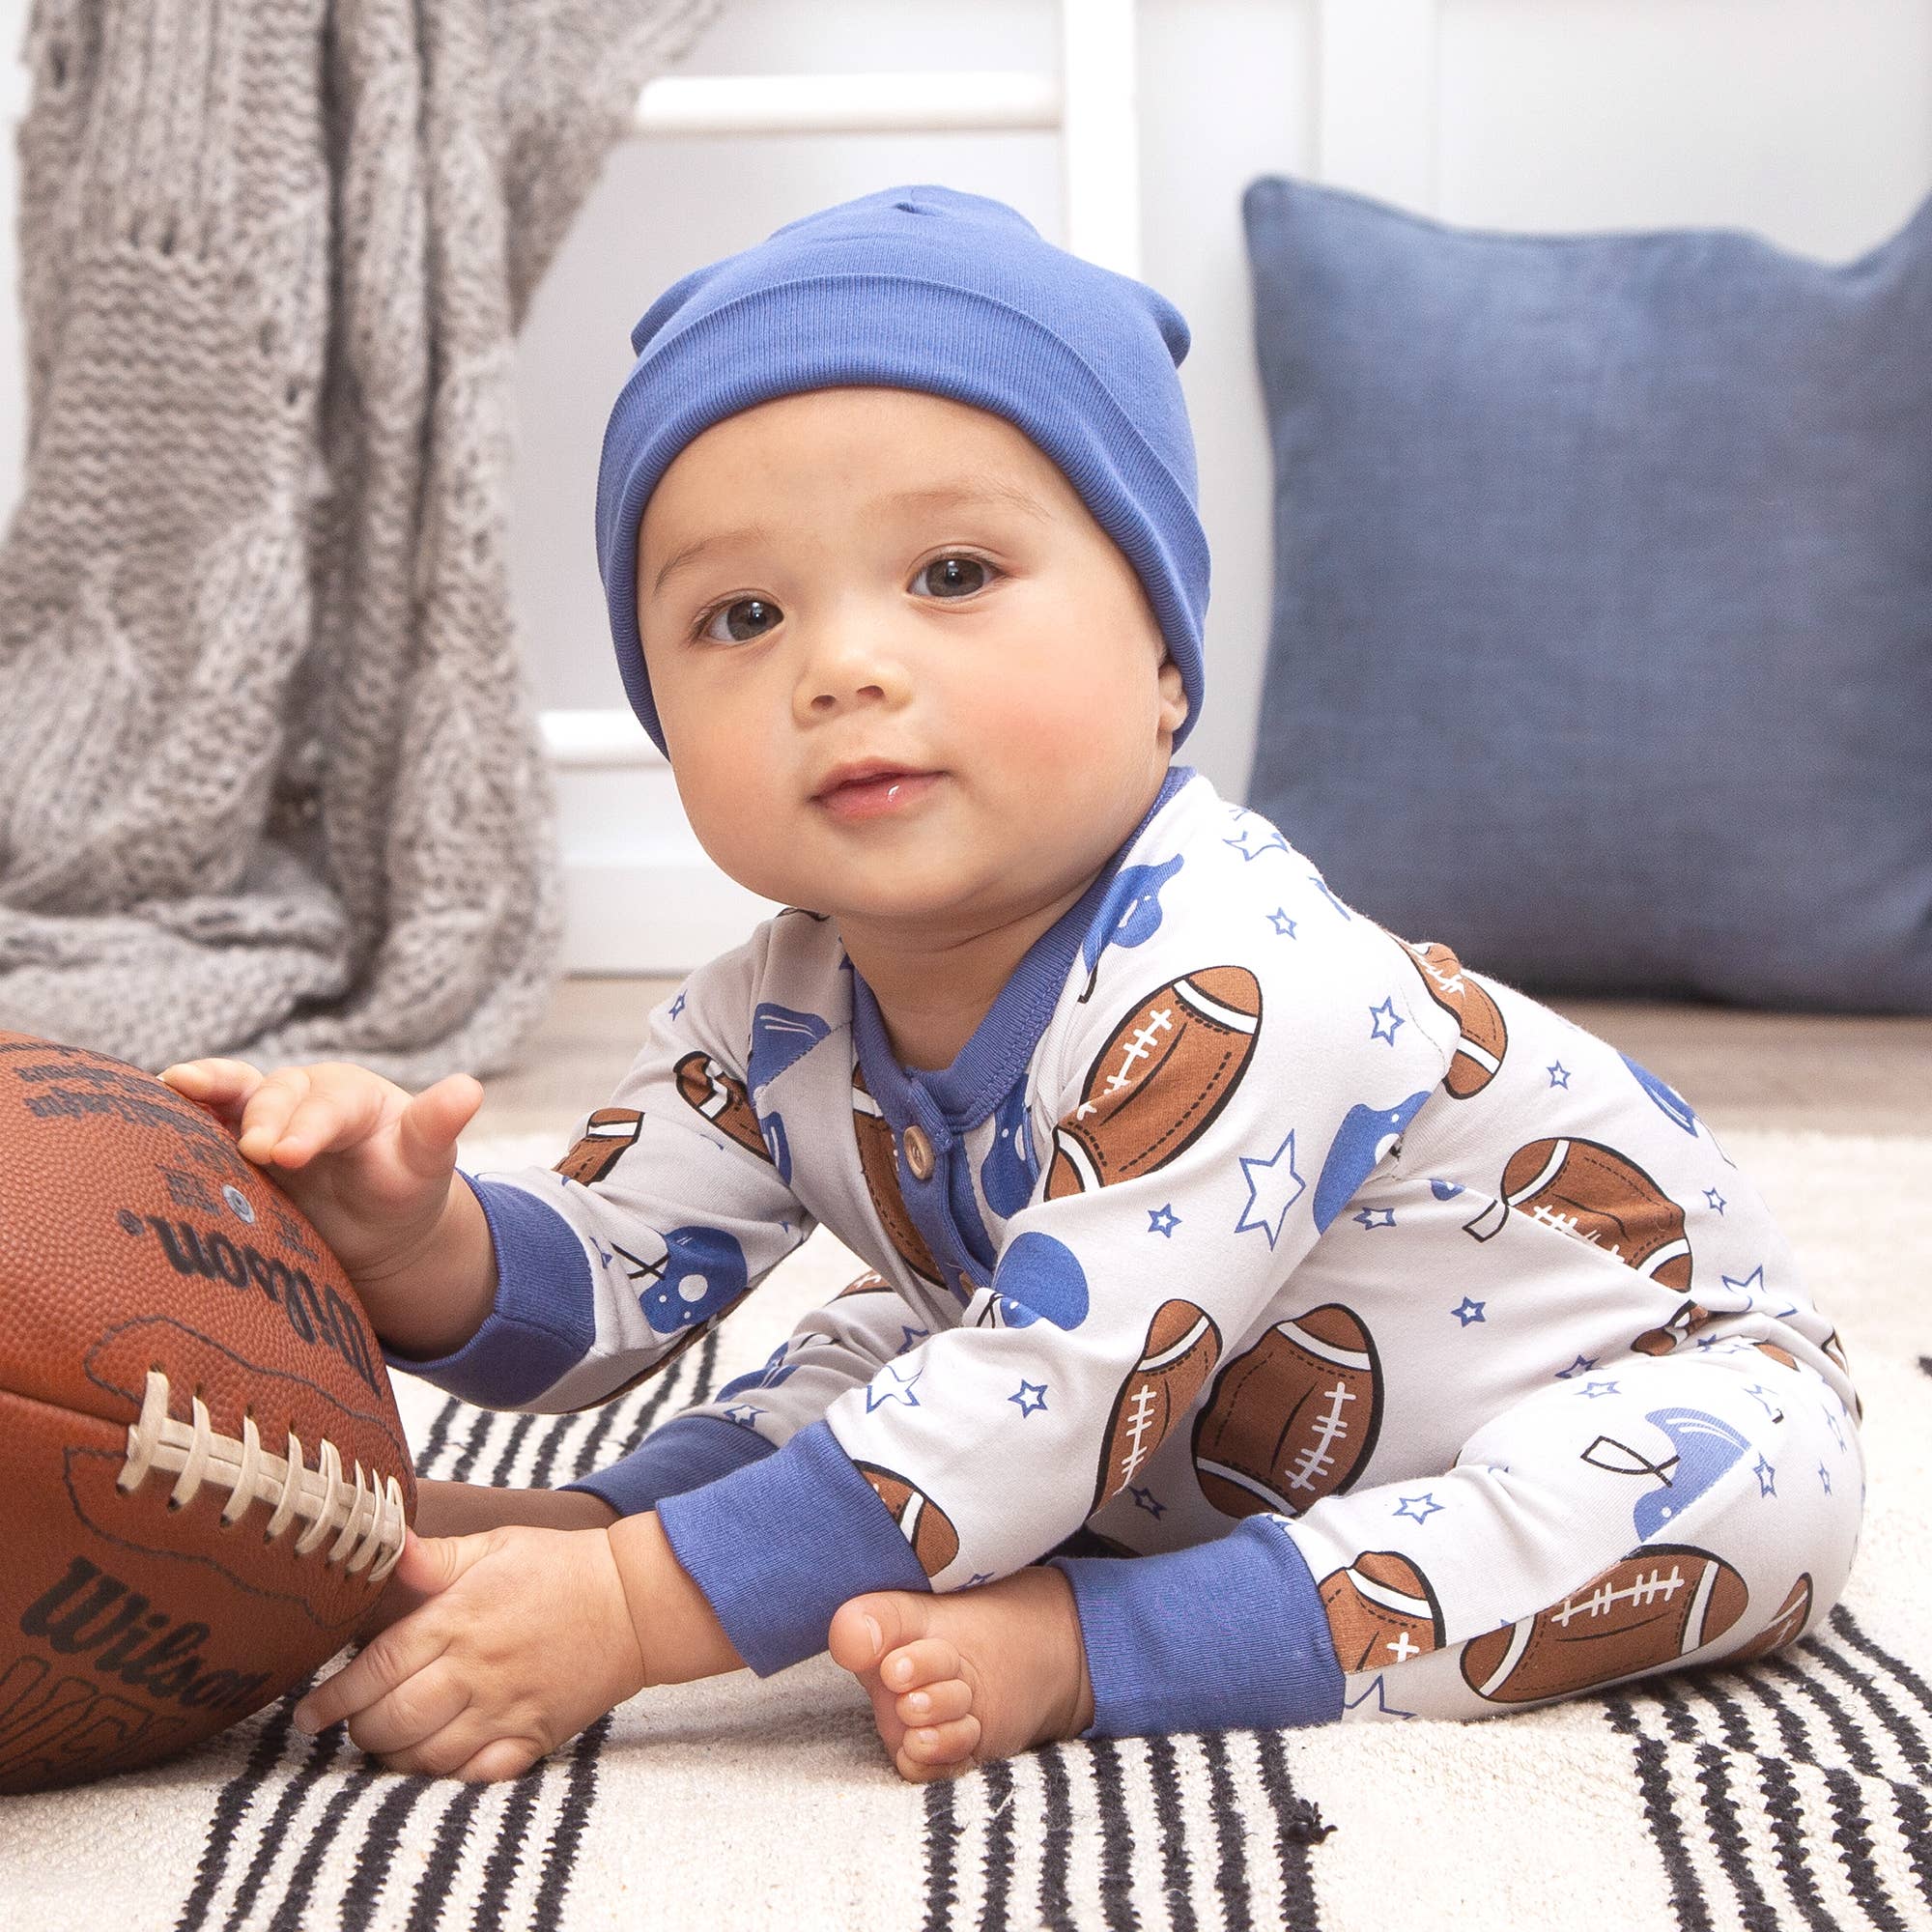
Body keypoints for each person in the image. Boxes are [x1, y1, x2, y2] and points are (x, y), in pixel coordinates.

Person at [158, 185, 1864, 1786]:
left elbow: (1051, 1395)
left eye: (953, 576)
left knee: (1739, 1496)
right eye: (740, 616)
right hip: (1150, 1411)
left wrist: (629, 1625)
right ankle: (591, 1527)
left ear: (1164, 666)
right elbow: (611, 1274)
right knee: (875, 1351)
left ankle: (1100, 1643)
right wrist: (414, 1239)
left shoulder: (1240, 974)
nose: (844, 666)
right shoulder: (774, 1008)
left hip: (1606, 1383)